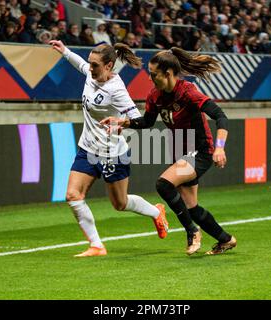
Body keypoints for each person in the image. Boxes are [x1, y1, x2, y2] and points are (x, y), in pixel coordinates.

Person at [101, 47, 237, 256]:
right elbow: (147, 122)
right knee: (192, 208)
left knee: (163, 184)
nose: (150, 78)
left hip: (200, 150)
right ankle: (226, 239)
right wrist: (124, 122)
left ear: (168, 73)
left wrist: (220, 147)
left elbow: (220, 116)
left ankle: (192, 232)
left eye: (153, 74)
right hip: (181, 151)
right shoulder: (155, 96)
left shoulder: (187, 92)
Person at [49, 40, 168, 257]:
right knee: (73, 195)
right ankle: (97, 245)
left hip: (112, 154)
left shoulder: (117, 89)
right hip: (87, 148)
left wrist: (121, 122)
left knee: (120, 204)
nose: (90, 68)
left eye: (95, 65)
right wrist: (64, 51)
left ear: (109, 66)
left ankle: (156, 212)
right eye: (90, 63)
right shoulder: (91, 73)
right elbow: (80, 65)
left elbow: (136, 118)